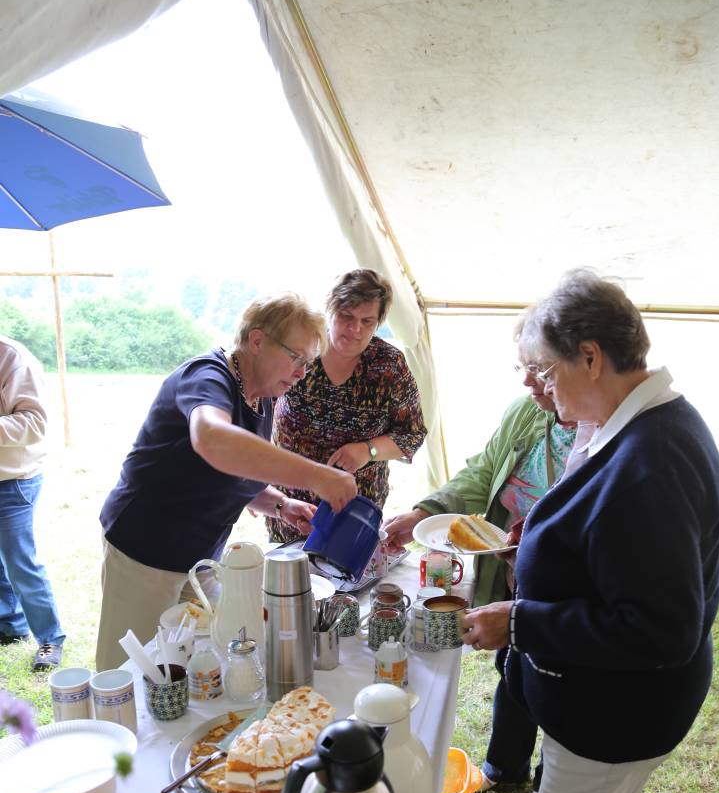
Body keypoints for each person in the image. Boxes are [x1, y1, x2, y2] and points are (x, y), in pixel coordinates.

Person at [454, 270, 719, 793]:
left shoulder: (654, 458)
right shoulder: (637, 423)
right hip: (599, 701)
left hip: (620, 710)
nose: (541, 387)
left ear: (593, 356)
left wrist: (523, 619)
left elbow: (659, 628)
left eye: (547, 370)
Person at [96, 294, 357, 671]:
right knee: (129, 673)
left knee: (203, 661)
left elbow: (237, 468)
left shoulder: (262, 397)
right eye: (296, 357)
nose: (302, 372)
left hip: (199, 559)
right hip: (144, 551)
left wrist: (281, 504)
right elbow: (213, 440)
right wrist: (318, 476)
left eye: (308, 362)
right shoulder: (208, 375)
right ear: (256, 340)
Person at [384, 345, 581, 793]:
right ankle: (505, 765)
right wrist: (423, 512)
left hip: (565, 577)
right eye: (524, 368)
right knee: (511, 661)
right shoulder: (526, 413)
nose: (529, 381)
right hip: (511, 564)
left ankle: (553, 782)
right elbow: (483, 472)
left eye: (539, 370)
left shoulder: (604, 433)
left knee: (561, 676)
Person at [266, 268, 426, 543]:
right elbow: (257, 405)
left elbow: (411, 434)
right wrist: (256, 490)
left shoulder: (388, 365)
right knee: (289, 580)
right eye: (347, 317)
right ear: (330, 310)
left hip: (353, 507)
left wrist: (368, 450)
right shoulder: (302, 350)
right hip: (290, 504)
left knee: (347, 581)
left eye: (367, 321)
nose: (355, 330)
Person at [0, 336, 65, 671]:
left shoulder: (11, 357)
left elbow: (35, 423)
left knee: (20, 563)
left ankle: (50, 640)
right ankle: (9, 624)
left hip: (12, 481)